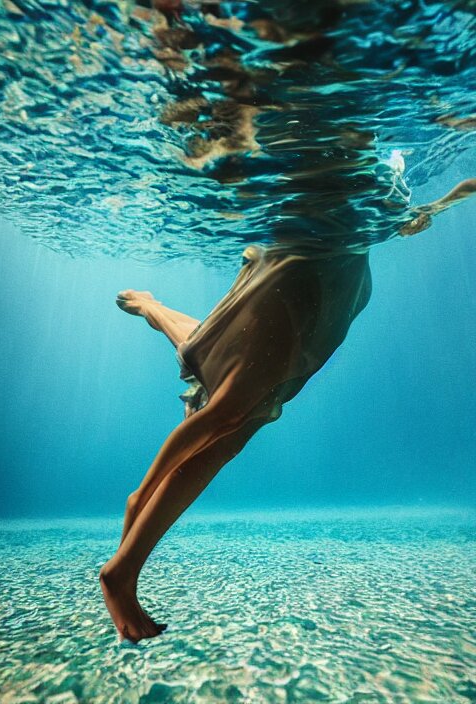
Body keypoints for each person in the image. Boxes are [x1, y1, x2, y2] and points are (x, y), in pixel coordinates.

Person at [99, 177, 476, 643]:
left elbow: (405, 215)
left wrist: (439, 205)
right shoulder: (319, 162)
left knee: (223, 383)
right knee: (229, 406)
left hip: (329, 292)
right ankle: (131, 538)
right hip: (293, 277)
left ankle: (150, 306)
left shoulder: (373, 178)